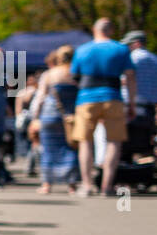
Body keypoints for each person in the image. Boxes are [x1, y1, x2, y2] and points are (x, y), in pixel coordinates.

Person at [70, 17, 136, 196]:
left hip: (86, 98)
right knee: (114, 142)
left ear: (94, 29)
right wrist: (131, 103)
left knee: (85, 142)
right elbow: (130, 77)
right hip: (113, 97)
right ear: (112, 30)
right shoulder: (121, 49)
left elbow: (74, 76)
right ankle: (107, 186)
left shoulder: (83, 50)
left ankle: (87, 185)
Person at [31, 45, 80, 195]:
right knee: (71, 148)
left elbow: (40, 98)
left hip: (49, 116)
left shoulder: (49, 74)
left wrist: (35, 118)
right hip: (71, 117)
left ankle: (46, 185)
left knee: (49, 150)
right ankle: (72, 185)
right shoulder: (76, 74)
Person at [122, 30, 157, 145]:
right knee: (148, 142)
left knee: (129, 143)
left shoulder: (132, 58)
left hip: (133, 106)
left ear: (137, 43)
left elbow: (124, 80)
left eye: (129, 45)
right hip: (154, 108)